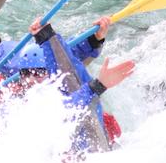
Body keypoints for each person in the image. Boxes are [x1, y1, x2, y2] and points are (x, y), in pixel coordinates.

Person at [27, 16, 134, 153]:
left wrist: (95, 38)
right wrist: (98, 85)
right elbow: (65, 110)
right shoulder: (25, 103)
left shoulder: (57, 81)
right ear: (23, 75)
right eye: (33, 73)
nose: (39, 77)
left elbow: (68, 61)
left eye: (42, 72)